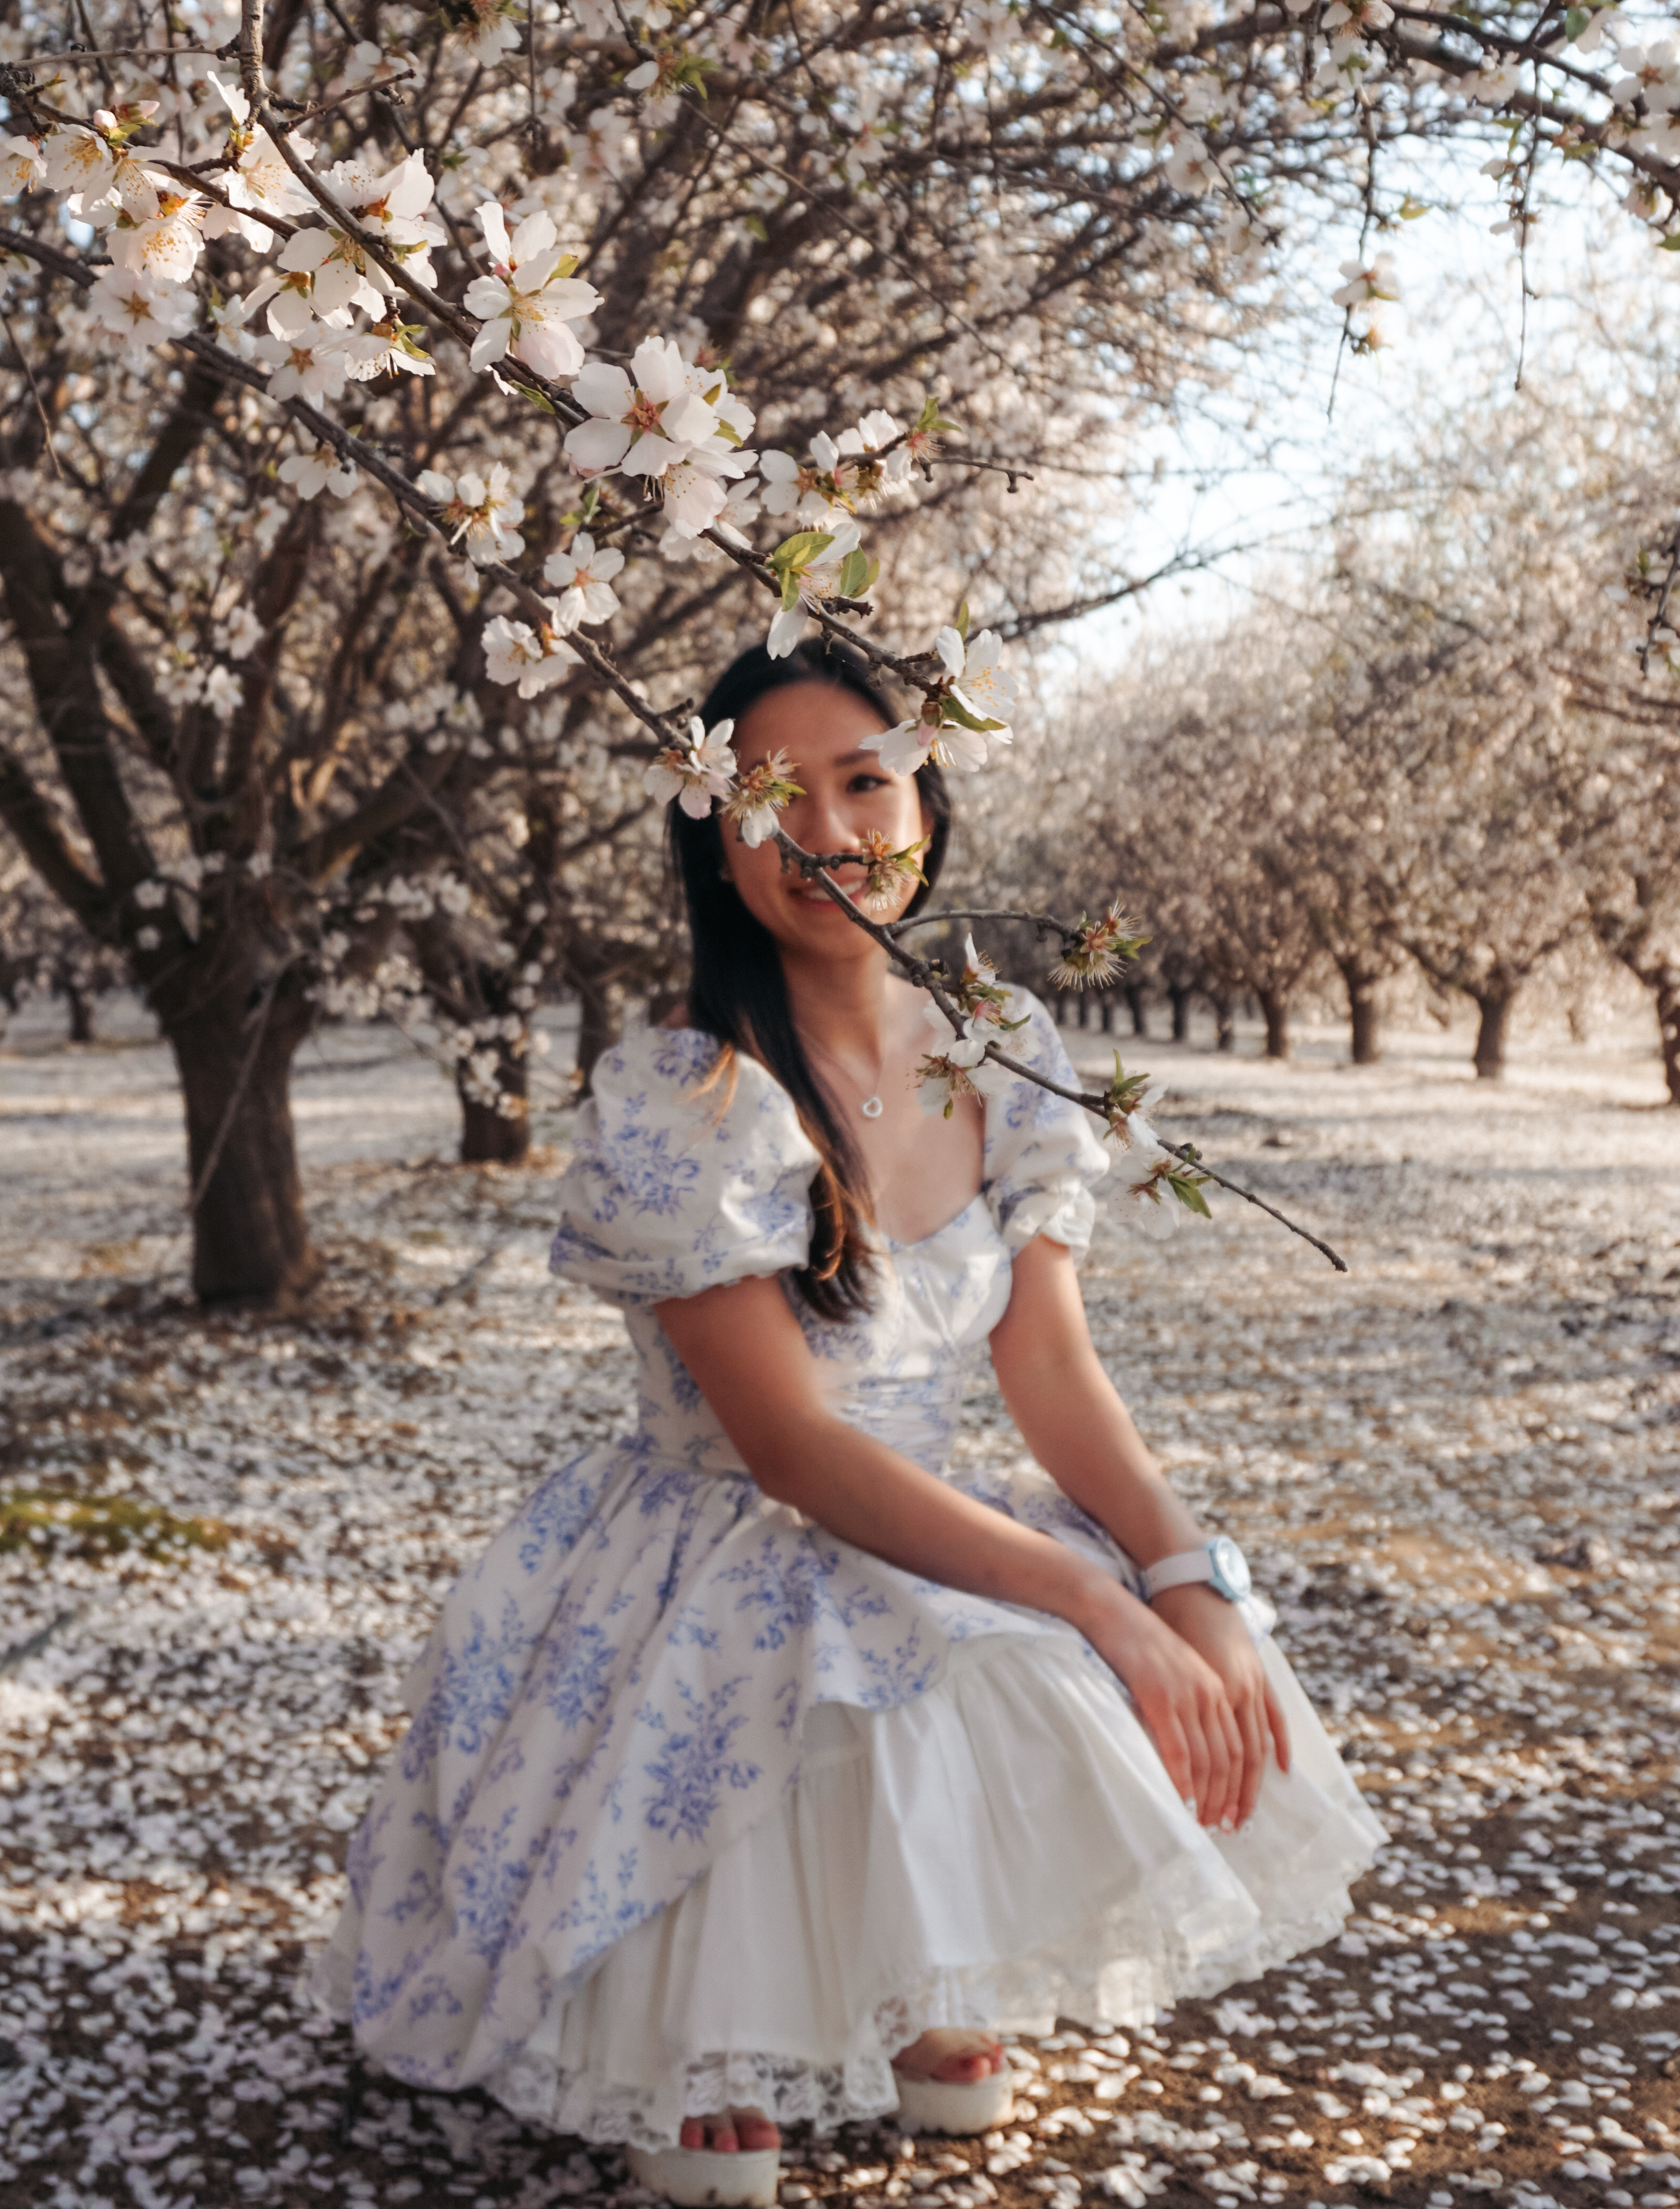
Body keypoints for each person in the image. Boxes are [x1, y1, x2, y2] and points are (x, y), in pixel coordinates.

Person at [311, 640, 1381, 2205]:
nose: (829, 830)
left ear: (926, 805)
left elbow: (1056, 1375)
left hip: (926, 1501)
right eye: (771, 798)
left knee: (1056, 1633)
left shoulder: (999, 1049)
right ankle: (707, 2033)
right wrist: (1086, 1592)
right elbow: (793, 1453)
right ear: (713, 842)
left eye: (865, 781)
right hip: (722, 1529)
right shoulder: (690, 1092)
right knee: (900, 1636)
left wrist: (1184, 1582)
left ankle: (927, 1978)